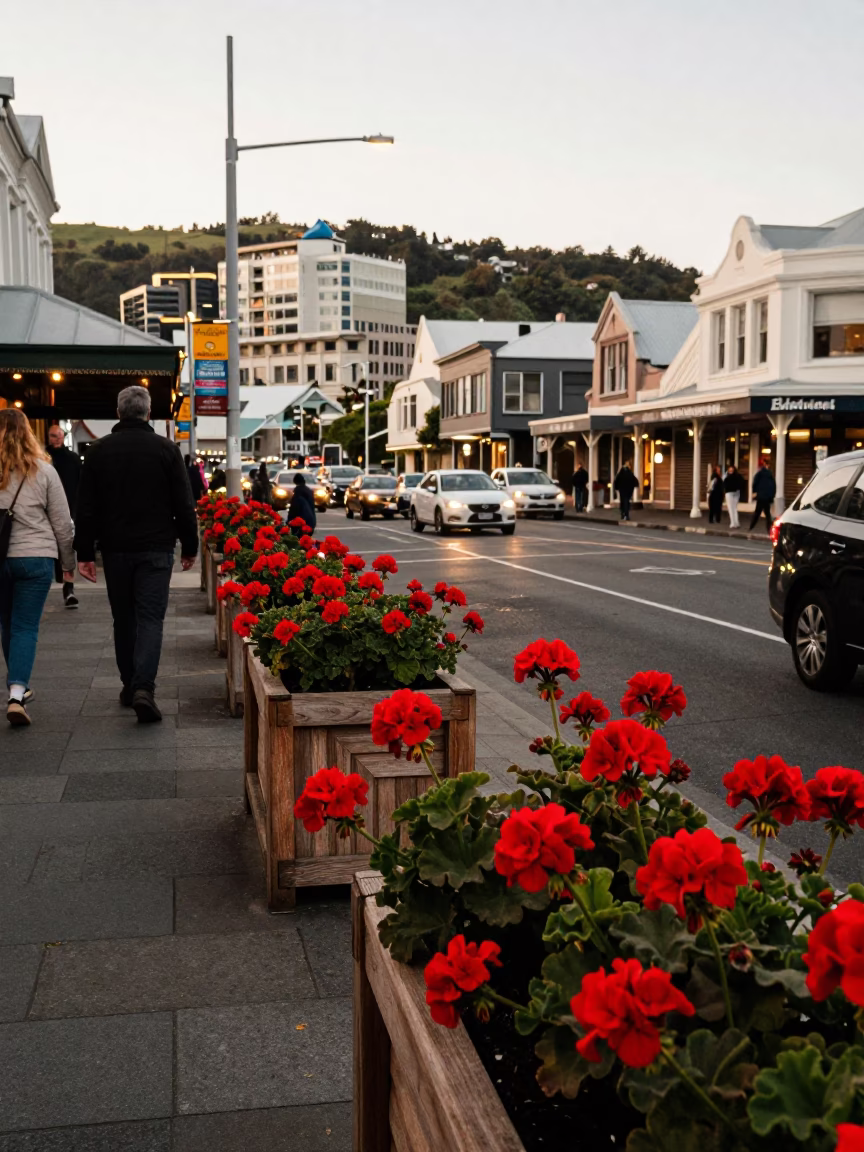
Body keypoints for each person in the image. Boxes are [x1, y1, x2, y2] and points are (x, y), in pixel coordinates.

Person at [73, 386, 198, 723]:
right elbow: (183, 504)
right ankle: (144, 687)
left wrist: (84, 553)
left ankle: (130, 684)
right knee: (150, 619)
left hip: (115, 550)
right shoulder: (166, 449)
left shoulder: (97, 451)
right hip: (156, 549)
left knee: (124, 618)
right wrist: (190, 545)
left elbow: (86, 508)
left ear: (118, 412)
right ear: (148, 412)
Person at [0, 409, 75, 726]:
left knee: (8, 623)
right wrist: (68, 565)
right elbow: (62, 522)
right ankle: (16, 693)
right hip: (36, 558)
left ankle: (19, 684)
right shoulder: (45, 471)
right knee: (25, 627)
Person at [46, 424, 82, 608]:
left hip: (68, 509)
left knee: (67, 548)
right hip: (46, 511)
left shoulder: (72, 459)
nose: (57, 439)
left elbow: (81, 485)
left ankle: (69, 588)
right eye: (53, 436)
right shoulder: (43, 459)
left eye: (59, 436)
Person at [750, 459, 777, 533]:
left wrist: (754, 492)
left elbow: (754, 483)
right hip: (767, 498)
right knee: (767, 514)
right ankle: (769, 529)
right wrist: (771, 496)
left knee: (757, 513)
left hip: (761, 496)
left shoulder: (759, 474)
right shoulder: (770, 475)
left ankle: (751, 527)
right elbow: (773, 487)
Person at [723, 465, 745, 529]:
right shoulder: (738, 476)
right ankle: (736, 522)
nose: (730, 471)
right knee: (734, 508)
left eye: (731, 470)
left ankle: (733, 523)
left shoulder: (727, 476)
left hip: (729, 493)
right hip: (737, 493)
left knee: (730, 508)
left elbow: (724, 484)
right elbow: (742, 483)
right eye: (730, 470)